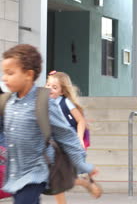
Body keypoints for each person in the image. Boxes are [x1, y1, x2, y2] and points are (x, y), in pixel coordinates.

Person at [1, 44, 99, 204]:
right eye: (4, 73)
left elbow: (66, 136)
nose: (5, 78)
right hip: (14, 174)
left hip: (35, 172)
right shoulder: (7, 101)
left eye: (10, 73)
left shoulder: (43, 102)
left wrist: (82, 164)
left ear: (28, 74)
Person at [46, 71, 102, 203]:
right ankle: (85, 182)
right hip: (53, 145)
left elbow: (81, 121)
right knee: (56, 179)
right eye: (47, 85)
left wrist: (79, 138)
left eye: (54, 87)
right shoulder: (44, 102)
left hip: (68, 143)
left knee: (59, 178)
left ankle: (86, 180)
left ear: (62, 91)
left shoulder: (65, 103)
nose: (49, 89)